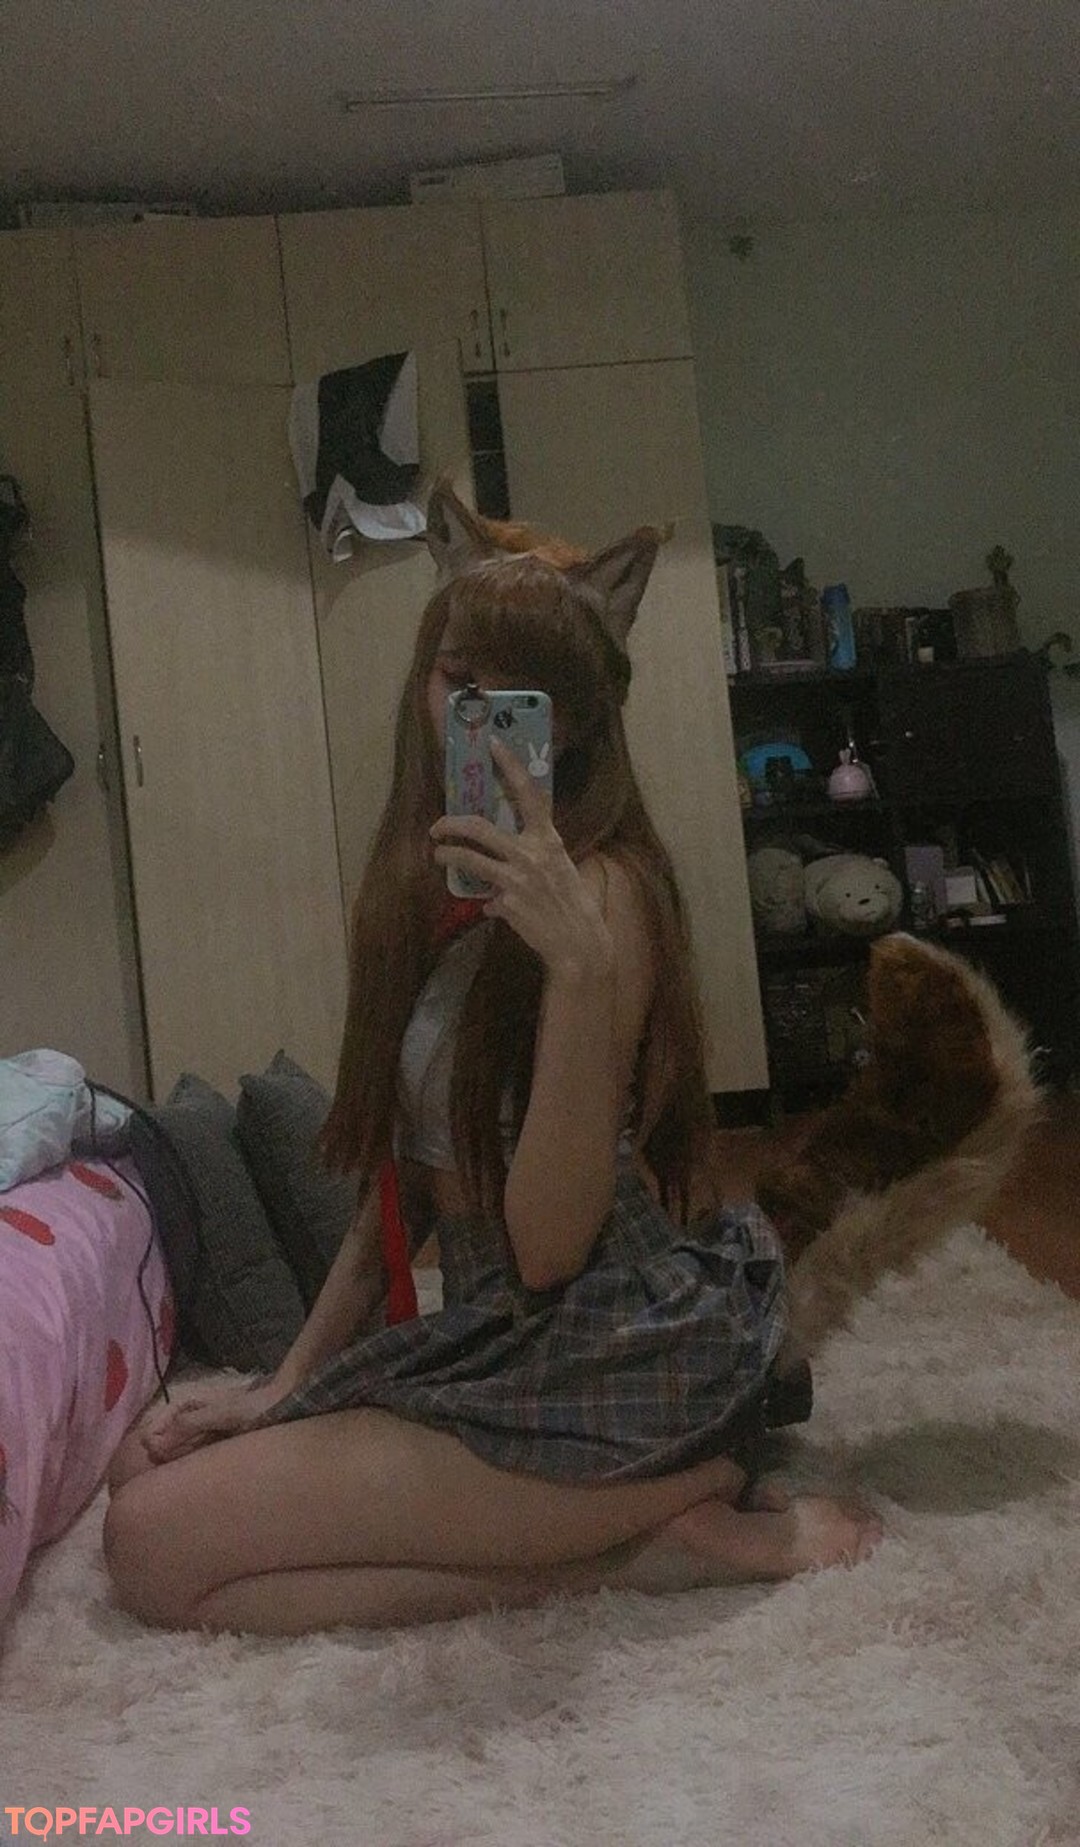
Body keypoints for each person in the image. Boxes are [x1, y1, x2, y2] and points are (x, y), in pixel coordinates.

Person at [104, 490, 1027, 1636]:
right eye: (458, 679)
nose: (480, 717)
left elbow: (546, 1248)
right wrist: (284, 1386)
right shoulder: (429, 895)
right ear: (424, 684)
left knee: (150, 1545)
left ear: (578, 722)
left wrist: (582, 974)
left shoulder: (607, 896)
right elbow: (403, 1190)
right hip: (504, 1344)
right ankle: (623, 1540)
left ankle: (641, 1532)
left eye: (519, 695)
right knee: (143, 1475)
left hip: (611, 1361)